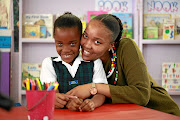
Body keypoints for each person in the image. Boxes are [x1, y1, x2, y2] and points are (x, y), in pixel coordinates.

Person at [66, 14, 180, 116]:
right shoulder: (81, 59)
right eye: (85, 36)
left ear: (111, 45)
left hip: (160, 113)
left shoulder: (126, 47)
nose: (87, 45)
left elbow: (141, 95)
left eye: (97, 42)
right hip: (124, 115)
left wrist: (93, 87)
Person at [40, 12, 108, 112]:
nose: (66, 49)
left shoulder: (94, 62)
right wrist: (59, 100)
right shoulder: (49, 63)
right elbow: (52, 94)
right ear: (54, 40)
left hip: (89, 116)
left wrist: (92, 103)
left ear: (81, 40)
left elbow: (101, 93)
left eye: (72, 43)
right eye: (60, 44)